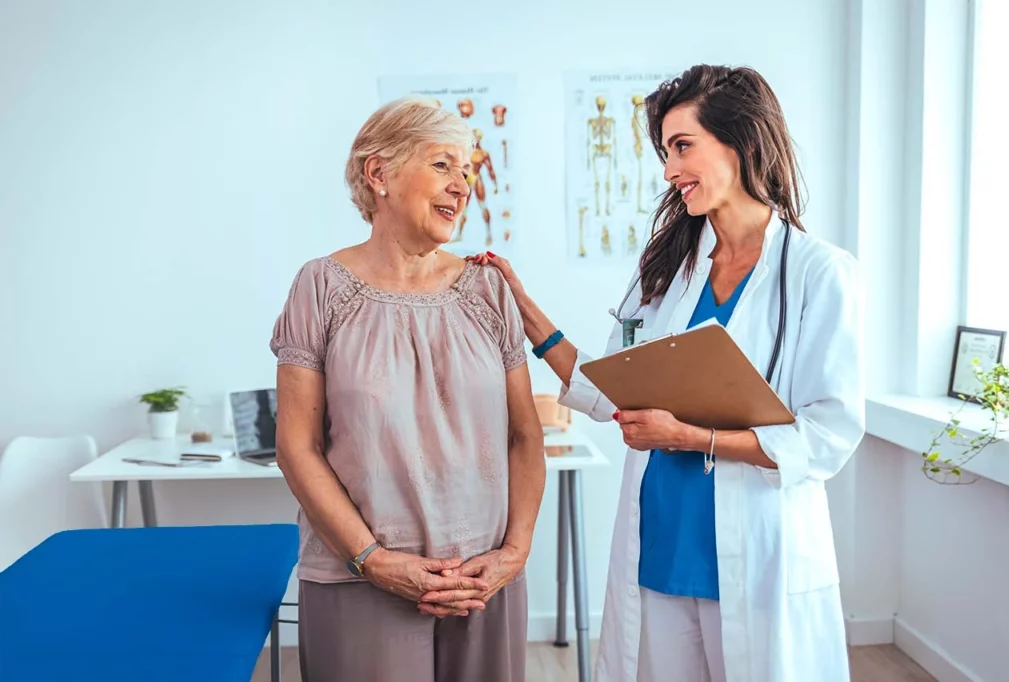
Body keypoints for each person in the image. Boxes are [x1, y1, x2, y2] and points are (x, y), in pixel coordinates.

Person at [465, 65, 865, 682]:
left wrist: (691, 438)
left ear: (744, 143)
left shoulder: (818, 272)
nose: (669, 170)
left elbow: (830, 432)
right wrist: (523, 306)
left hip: (761, 550)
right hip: (661, 541)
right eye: (664, 151)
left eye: (683, 147)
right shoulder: (670, 265)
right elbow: (606, 387)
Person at [269, 96, 546, 682]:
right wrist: (372, 561)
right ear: (380, 174)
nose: (462, 184)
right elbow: (296, 447)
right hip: (360, 580)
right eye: (443, 165)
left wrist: (513, 554)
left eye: (467, 170)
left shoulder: (489, 289)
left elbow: (525, 436)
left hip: (484, 582)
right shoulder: (320, 287)